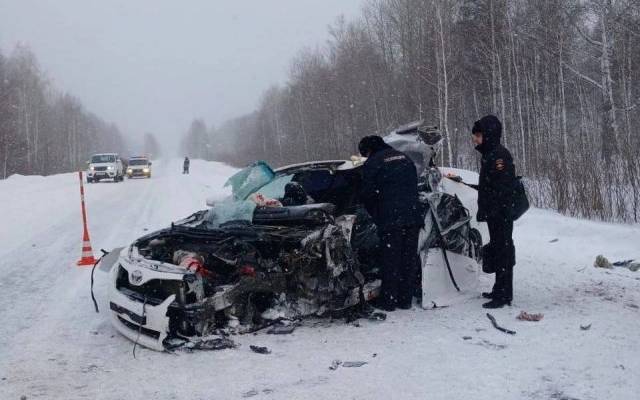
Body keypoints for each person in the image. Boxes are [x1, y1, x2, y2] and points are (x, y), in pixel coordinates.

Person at [358, 135, 422, 311]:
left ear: (368, 150)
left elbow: (367, 195)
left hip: (391, 219)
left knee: (391, 261)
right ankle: (405, 299)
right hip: (413, 216)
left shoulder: (373, 163)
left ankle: (389, 301)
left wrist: (376, 215)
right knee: (408, 260)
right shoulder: (404, 157)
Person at [471, 115, 517, 309]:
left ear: (489, 135)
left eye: (478, 135)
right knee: (499, 250)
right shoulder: (490, 154)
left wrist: (494, 209)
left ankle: (504, 295)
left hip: (501, 214)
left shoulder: (499, 156)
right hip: (495, 213)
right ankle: (499, 289)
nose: (475, 139)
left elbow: (502, 188)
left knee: (503, 251)